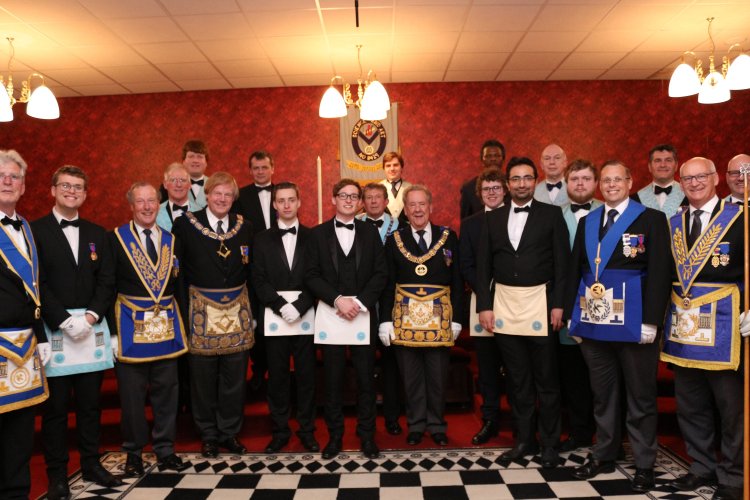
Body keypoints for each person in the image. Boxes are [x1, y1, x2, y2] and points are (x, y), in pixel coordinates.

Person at [565, 160, 671, 492]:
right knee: (603, 394)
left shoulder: (651, 218)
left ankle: (644, 463)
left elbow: (660, 271)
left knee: (640, 395)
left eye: (617, 179)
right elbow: (575, 269)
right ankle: (605, 453)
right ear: (600, 185)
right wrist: (572, 316)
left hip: (635, 323)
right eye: (606, 180)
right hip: (594, 322)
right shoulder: (588, 220)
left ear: (629, 182)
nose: (611, 185)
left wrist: (651, 320)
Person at [661, 157, 749, 500]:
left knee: (731, 408)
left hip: (725, 327)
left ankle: (734, 475)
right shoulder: (674, 223)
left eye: (701, 177)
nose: (695, 183)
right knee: (690, 403)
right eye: (688, 178)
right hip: (684, 327)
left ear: (715, 179)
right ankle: (700, 466)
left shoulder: (740, 218)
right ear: (680, 183)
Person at [32, 165, 121, 498]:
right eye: (66, 185)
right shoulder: (34, 231)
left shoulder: (99, 233)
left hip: (91, 328)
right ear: (53, 190)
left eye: (78, 187)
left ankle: (91, 464)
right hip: (54, 331)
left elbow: (107, 280)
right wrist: (63, 320)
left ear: (85, 193)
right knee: (55, 411)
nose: (72, 191)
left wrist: (91, 316)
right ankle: (57, 475)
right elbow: (36, 282)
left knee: (90, 406)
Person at [476, 156, 569, 469]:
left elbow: (562, 264)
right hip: (504, 305)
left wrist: (558, 304)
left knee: (547, 381)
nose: (521, 184)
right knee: (518, 380)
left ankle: (550, 444)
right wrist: (484, 305)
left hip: (541, 304)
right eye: (515, 179)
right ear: (507, 184)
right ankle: (524, 440)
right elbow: (483, 267)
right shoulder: (492, 219)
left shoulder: (552, 215)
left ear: (535, 181)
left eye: (527, 178)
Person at [110, 182, 190, 477]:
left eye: (152, 201)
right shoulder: (116, 239)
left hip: (166, 326)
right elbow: (107, 285)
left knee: (167, 393)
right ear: (131, 205)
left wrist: (184, 327)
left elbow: (179, 286)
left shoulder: (172, 240)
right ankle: (133, 452)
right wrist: (112, 333)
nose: (147, 207)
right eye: (140, 202)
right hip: (130, 328)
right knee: (132, 396)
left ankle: (165, 450)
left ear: (159, 204)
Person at [172, 172, 254, 458]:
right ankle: (207, 434)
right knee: (203, 380)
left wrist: (253, 313)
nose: (222, 199)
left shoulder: (245, 226)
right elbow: (178, 274)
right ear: (206, 195)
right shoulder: (185, 224)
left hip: (237, 312)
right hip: (200, 313)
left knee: (234, 378)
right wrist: (183, 313)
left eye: (228, 195)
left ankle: (229, 432)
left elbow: (251, 272)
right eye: (217, 193)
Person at [306, 179, 387, 460]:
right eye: (344, 195)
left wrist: (361, 302)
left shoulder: (370, 232)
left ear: (360, 202)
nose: (349, 200)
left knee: (366, 380)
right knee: (332, 381)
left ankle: (367, 436)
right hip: (331, 314)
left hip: (363, 314)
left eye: (354, 196)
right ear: (333, 199)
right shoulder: (317, 234)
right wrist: (337, 299)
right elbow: (311, 275)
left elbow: (381, 273)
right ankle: (335, 437)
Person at [380, 185, 463, 447]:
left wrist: (457, 318)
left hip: (440, 318)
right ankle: (416, 425)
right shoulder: (394, 240)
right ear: (405, 210)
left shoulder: (448, 237)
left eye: (422, 204)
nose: (417, 209)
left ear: (430, 206)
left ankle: (437, 425)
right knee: (411, 376)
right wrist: (385, 320)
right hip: (404, 318)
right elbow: (387, 283)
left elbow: (457, 280)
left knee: (438, 376)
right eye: (412, 205)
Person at [252, 182, 319, 454]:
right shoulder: (261, 239)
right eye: (281, 200)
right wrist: (280, 305)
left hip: (306, 317)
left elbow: (319, 275)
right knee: (277, 377)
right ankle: (280, 431)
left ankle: (307, 431)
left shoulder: (313, 237)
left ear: (299, 202)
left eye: (291, 199)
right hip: (274, 317)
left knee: (306, 377)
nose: (287, 205)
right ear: (274, 205)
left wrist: (300, 305)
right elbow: (258, 279)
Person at [0, 149, 51, 499]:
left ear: (23, 186)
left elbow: (34, 290)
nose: (7, 181)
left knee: (20, 432)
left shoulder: (28, 229)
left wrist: (41, 334)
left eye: (14, 177)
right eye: (1, 176)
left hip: (24, 344)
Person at [459, 167, 508, 445]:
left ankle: (522, 420)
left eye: (496, 188)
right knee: (487, 366)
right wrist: (487, 293)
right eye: (486, 189)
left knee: (516, 365)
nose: (491, 193)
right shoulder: (471, 224)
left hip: (517, 303)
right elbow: (466, 264)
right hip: (482, 302)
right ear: (479, 194)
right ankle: (490, 419)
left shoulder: (517, 217)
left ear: (505, 190)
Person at [556, 159, 600, 452]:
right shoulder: (554, 215)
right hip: (567, 305)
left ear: (595, 183)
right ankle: (580, 432)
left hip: (602, 304)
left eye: (585, 178)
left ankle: (609, 435)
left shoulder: (608, 213)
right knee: (573, 376)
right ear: (566, 183)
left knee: (604, 373)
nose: (580, 183)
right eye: (575, 179)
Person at [356, 182, 402, 435]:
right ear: (363, 202)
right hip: (361, 305)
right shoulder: (355, 224)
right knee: (362, 366)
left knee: (391, 365)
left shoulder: (400, 227)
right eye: (369, 197)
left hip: (391, 304)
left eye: (378, 197)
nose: (373, 201)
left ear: (386, 202)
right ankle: (365, 420)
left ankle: (392, 417)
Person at [231, 150, 278, 392]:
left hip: (280, 265)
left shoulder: (283, 193)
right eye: (256, 168)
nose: (260, 172)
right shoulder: (241, 196)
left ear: (272, 168)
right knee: (256, 319)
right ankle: (258, 370)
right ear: (250, 171)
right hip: (253, 264)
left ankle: (277, 370)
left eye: (264, 167)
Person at [632, 144, 686, 216]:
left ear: (676, 166)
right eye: (657, 161)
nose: (663, 165)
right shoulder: (634, 200)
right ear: (649, 167)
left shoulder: (689, 195)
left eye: (668, 160)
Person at [460, 139, 506, 219]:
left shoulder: (512, 184)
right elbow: (466, 222)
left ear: (503, 159)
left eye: (497, 156)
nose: (493, 159)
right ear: (482, 159)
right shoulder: (468, 188)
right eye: (488, 156)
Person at [160, 140, 209, 208]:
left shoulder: (215, 185)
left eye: (200, 157)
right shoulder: (167, 186)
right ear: (183, 161)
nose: (195, 160)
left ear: (206, 162)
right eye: (191, 156)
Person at [156, 162, 201, 231]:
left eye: (183, 180)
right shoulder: (155, 212)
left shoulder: (200, 212)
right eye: (173, 180)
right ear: (165, 184)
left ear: (190, 185)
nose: (178, 185)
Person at [378, 152, 412, 221]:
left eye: (395, 165)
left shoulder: (411, 189)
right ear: (384, 168)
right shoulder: (377, 189)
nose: (392, 169)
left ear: (401, 167)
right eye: (388, 166)